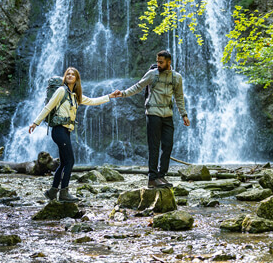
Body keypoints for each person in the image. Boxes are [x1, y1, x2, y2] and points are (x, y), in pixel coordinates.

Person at [28, 67, 120, 202]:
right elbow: (48, 107)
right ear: (65, 78)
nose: (70, 76)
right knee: (70, 161)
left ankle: (52, 192)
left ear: (77, 79)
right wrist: (35, 123)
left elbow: (92, 101)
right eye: (68, 74)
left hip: (66, 131)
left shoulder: (75, 95)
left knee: (64, 162)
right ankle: (64, 193)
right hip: (59, 130)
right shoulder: (61, 91)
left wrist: (110, 96)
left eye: (73, 74)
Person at [117, 50, 190, 188]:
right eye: (157, 61)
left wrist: (184, 115)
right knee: (154, 146)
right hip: (153, 113)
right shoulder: (152, 74)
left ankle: (161, 176)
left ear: (169, 62)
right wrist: (123, 93)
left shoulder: (177, 78)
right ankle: (152, 178)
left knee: (167, 146)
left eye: (161, 62)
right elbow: (138, 86)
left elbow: (179, 97)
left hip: (167, 115)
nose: (158, 64)